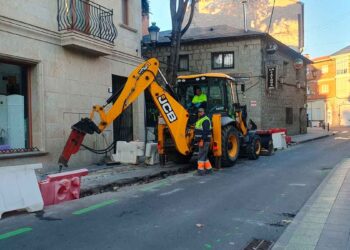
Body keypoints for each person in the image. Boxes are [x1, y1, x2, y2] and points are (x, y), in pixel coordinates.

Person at [194, 108, 213, 175]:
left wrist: (202, 140)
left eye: (201, 112)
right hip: (202, 140)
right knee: (204, 155)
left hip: (204, 140)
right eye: (198, 112)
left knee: (201, 155)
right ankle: (209, 169)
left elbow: (206, 132)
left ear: (204, 112)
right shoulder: (201, 119)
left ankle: (200, 171)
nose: (199, 113)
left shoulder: (205, 120)